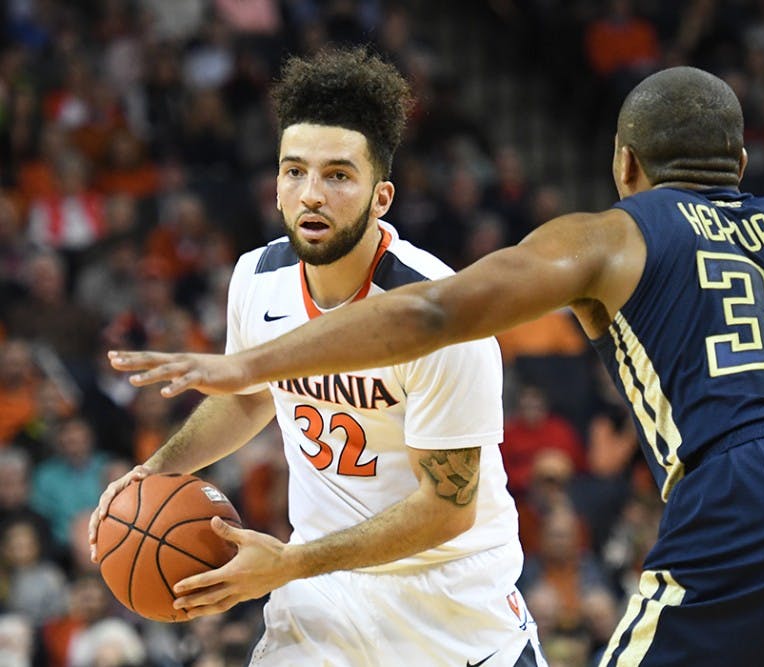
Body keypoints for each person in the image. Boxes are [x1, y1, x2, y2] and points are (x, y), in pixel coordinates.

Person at [99, 66, 764, 666]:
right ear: (743, 165)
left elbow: (433, 314)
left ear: (624, 163)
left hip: (754, 490)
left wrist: (241, 364)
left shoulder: (612, 235)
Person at [89, 48, 546, 667]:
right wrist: (156, 471)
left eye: (337, 175)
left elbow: (446, 509)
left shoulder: (439, 313)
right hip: (324, 595)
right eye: (294, 171)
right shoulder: (256, 276)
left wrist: (290, 562)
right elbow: (251, 397)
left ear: (381, 196)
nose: (311, 194)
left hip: (449, 601)